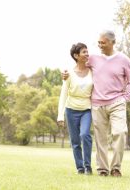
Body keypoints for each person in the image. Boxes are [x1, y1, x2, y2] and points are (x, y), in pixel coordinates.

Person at [62, 30, 130, 177]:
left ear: (112, 42)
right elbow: (78, 65)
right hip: (97, 104)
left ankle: (115, 168)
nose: (99, 45)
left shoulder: (124, 59)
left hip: (117, 102)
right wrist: (65, 73)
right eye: (99, 42)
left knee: (120, 132)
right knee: (100, 138)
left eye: (103, 42)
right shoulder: (94, 58)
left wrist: (126, 97)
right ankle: (102, 169)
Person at [57, 42, 93, 175]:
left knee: (84, 135)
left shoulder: (92, 70)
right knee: (75, 141)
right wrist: (60, 115)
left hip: (86, 110)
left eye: (87, 51)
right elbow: (63, 94)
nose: (87, 54)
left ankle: (88, 166)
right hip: (71, 110)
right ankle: (80, 168)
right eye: (84, 52)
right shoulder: (69, 73)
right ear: (76, 55)